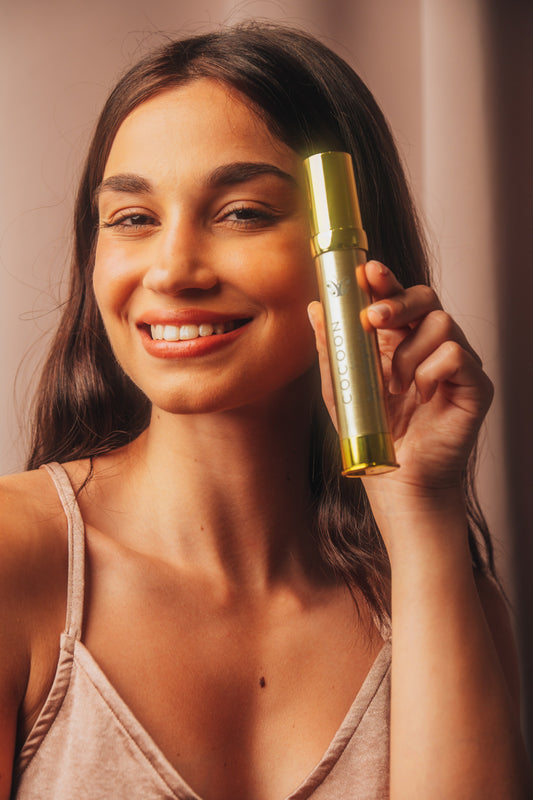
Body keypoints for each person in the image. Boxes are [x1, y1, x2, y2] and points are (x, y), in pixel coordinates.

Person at [1, 22, 531, 800]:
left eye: (243, 212)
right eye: (134, 218)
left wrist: (418, 506)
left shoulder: (443, 596)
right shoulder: (16, 558)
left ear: (350, 255)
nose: (172, 270)